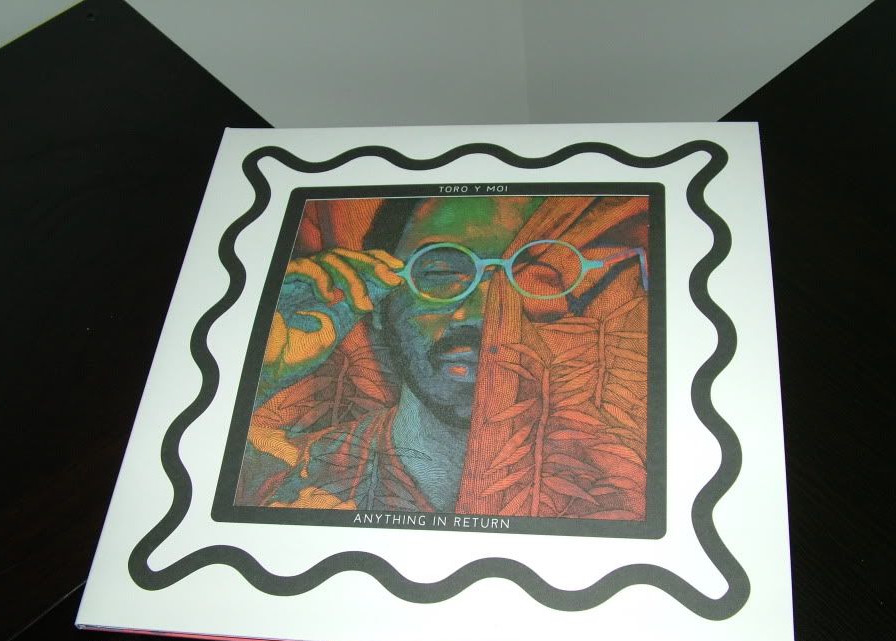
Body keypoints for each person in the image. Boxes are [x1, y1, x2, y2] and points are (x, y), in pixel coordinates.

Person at [236, 194, 651, 520]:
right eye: (439, 274)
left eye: (534, 279)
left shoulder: (621, 492)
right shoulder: (278, 479)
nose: (480, 313)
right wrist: (258, 368)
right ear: (378, 300)